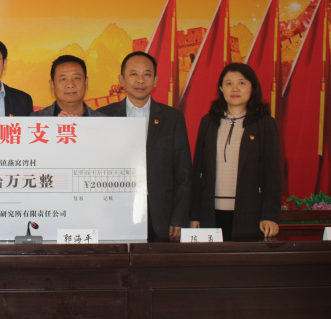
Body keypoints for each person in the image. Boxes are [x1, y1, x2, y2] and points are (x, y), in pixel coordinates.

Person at [97, 51, 192, 240]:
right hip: (114, 214)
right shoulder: (103, 116)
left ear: (155, 80)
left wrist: (179, 217)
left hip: (161, 216)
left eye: (147, 74)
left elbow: (184, 173)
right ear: (122, 80)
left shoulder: (172, 118)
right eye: (134, 74)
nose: (140, 80)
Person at [190, 63, 281, 240]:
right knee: (211, 258)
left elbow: (273, 174)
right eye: (229, 83)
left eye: (242, 83)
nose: (235, 89)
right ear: (221, 89)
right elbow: (197, 172)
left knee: (244, 258)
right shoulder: (208, 122)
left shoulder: (264, 123)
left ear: (252, 87)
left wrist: (270, 215)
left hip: (250, 214)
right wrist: (194, 215)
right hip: (210, 213)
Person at [31, 55, 104, 117]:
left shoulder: (105, 122)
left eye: (76, 78)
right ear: (52, 85)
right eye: (63, 79)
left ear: (86, 83)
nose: (70, 85)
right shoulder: (33, 121)